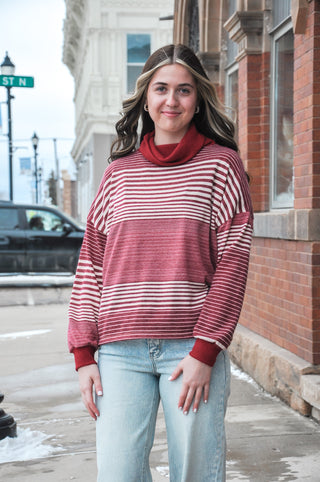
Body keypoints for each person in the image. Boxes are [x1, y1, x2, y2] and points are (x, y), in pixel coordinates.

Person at [68, 44, 253, 482]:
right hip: (119, 351)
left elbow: (233, 264)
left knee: (195, 474)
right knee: (118, 474)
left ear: (198, 99)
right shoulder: (119, 173)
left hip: (189, 349)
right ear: (146, 98)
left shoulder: (222, 167)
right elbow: (91, 263)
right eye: (162, 88)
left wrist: (206, 350)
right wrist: (83, 352)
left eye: (184, 90)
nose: (172, 100)